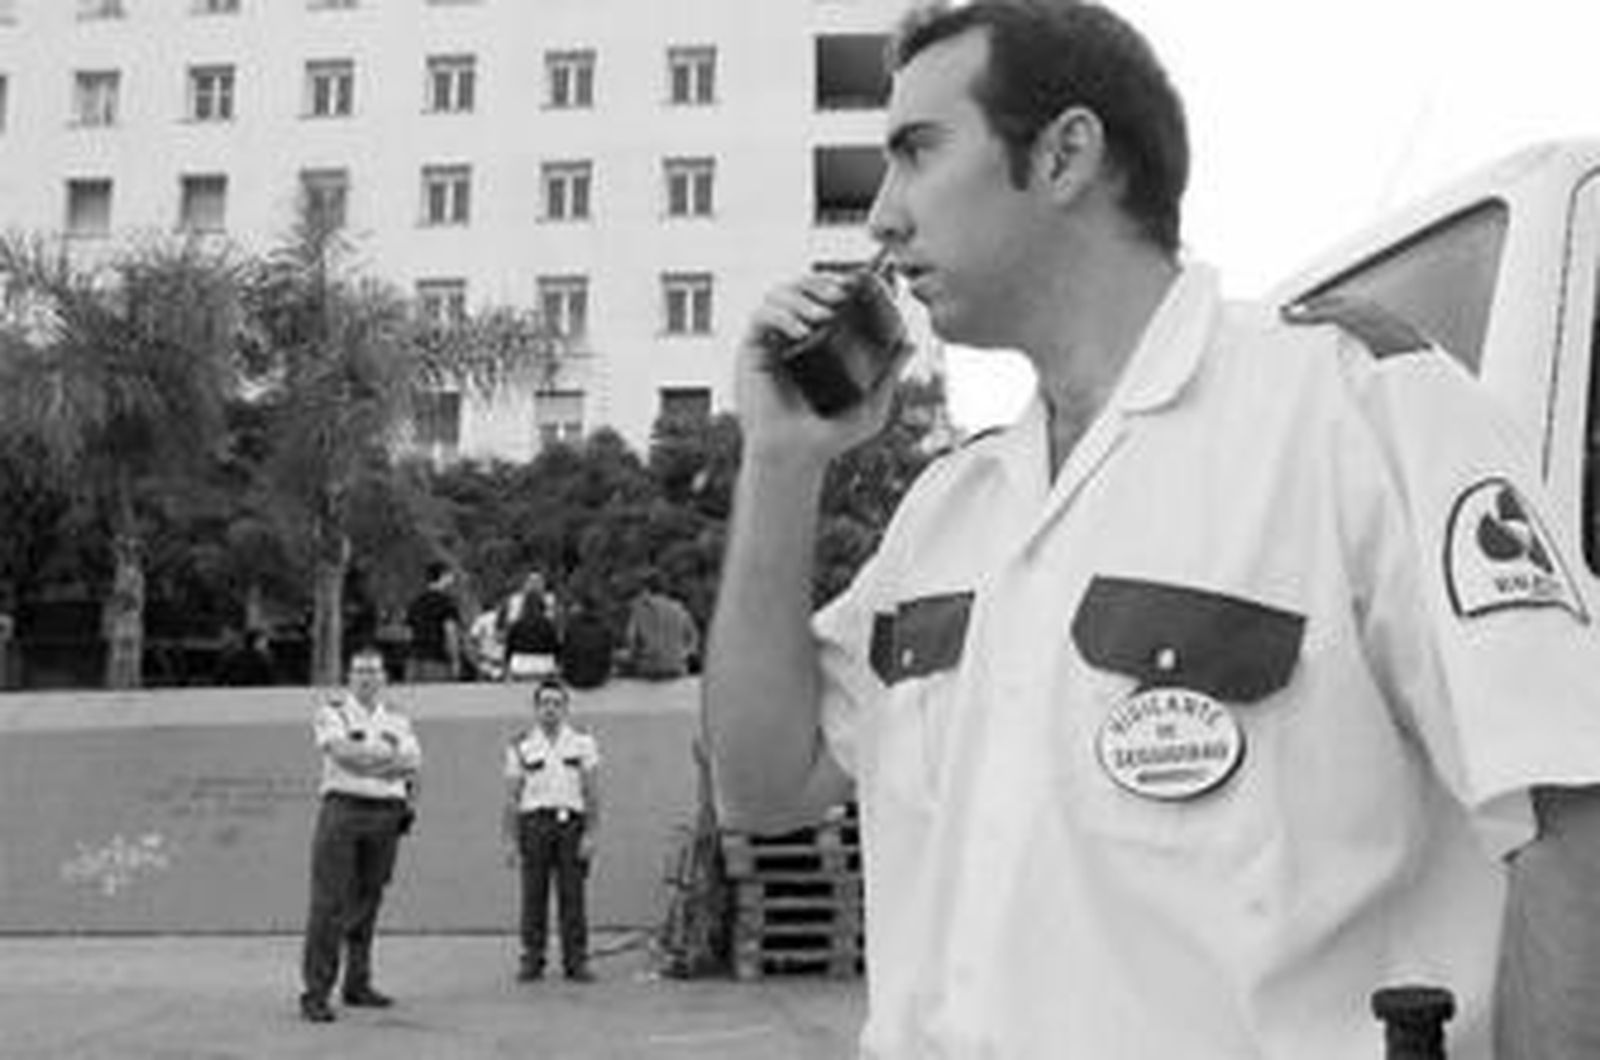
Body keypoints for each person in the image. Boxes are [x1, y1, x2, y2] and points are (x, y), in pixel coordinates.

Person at [701, 3, 1600, 1057]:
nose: (882, 219)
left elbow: (1568, 828)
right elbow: (761, 784)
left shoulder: (1354, 411)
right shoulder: (951, 510)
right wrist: (778, 462)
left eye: (917, 151)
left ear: (1064, 154)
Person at [298, 644, 422, 1023]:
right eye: (360, 671)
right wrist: (386, 762)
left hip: (386, 814)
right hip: (343, 811)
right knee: (329, 903)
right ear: (350, 677)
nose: (367, 678)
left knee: (368, 899)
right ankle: (316, 993)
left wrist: (368, 762)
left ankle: (357, 983)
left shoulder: (398, 718)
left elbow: (412, 765)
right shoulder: (332, 712)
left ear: (384, 677)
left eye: (374, 671)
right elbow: (340, 754)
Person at [502, 676, 602, 983]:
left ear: (566, 708)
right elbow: (512, 796)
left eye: (557, 703)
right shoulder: (520, 745)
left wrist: (591, 833)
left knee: (573, 896)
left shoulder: (583, 742)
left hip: (571, 825)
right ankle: (532, 959)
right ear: (535, 708)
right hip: (534, 825)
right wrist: (509, 840)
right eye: (544, 703)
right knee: (534, 895)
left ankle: (576, 961)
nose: (550, 709)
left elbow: (592, 792)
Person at [622, 576, 699, 679]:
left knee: (618, 657)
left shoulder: (639, 609)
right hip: (677, 667)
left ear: (646, 591)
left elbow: (630, 638)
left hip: (650, 668)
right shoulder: (680, 608)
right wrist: (685, 654)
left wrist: (636, 653)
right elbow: (694, 637)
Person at [404, 561, 461, 683]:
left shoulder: (416, 603)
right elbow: (450, 634)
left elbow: (408, 633)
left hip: (414, 662)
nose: (452, 579)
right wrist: (455, 661)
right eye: (450, 575)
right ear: (443, 576)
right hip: (437, 662)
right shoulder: (447, 604)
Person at [503, 585, 561, 681]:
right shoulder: (548, 626)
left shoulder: (517, 625)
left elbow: (509, 649)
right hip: (544, 665)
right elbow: (556, 648)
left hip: (520, 666)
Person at [557, 593, 614, 690]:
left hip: (574, 676)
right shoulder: (605, 627)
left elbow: (564, 650)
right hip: (599, 677)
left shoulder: (572, 625)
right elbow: (608, 653)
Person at [214, 625, 279, 687]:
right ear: (255, 642)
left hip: (247, 691)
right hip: (245, 691)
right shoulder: (262, 659)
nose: (266, 644)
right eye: (263, 641)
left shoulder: (231, 655)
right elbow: (270, 680)